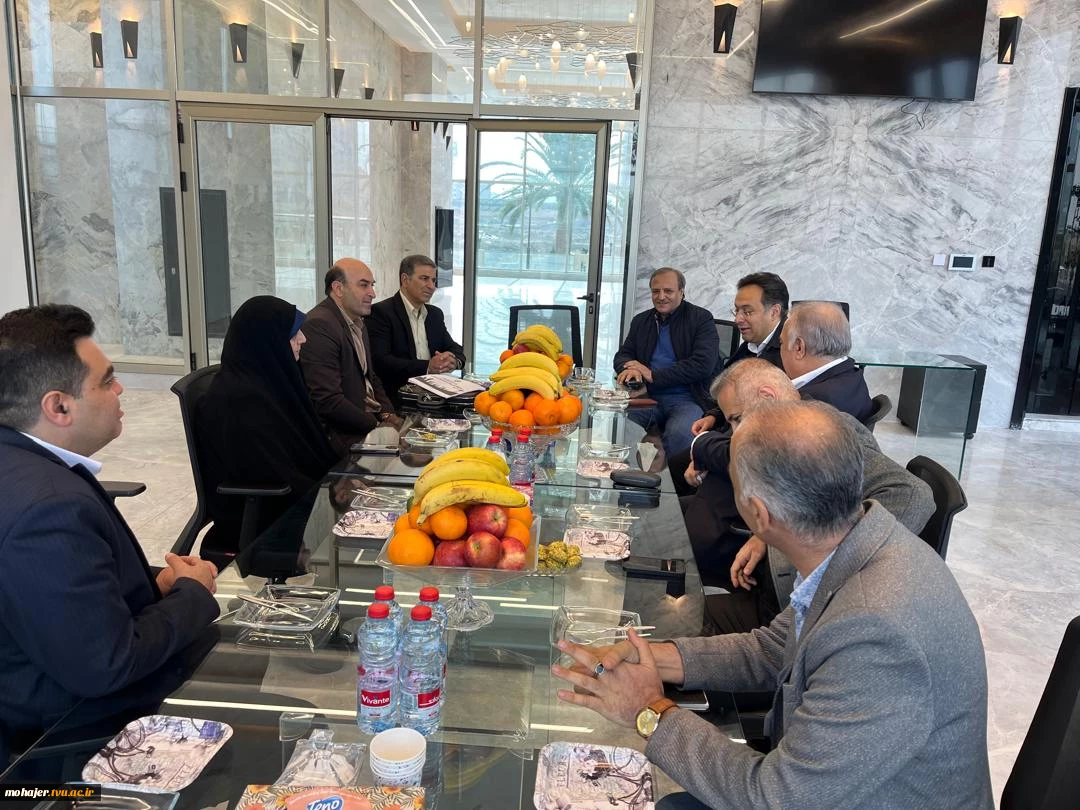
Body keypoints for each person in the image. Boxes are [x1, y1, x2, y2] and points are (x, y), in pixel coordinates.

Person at [552, 400, 992, 809]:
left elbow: (777, 798)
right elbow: (774, 646)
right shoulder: (858, 543)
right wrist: (655, 657)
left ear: (758, 515)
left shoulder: (875, 631)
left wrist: (648, 710)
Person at [0, 304, 220, 750]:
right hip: (73, 731)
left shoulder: (25, 465)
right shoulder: (49, 509)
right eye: (106, 381)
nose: (120, 389)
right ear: (59, 406)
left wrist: (157, 586)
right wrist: (192, 593)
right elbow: (105, 665)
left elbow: (62, 605)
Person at [692, 359, 934, 632]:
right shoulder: (786, 428)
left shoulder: (818, 432)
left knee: (680, 620)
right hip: (772, 588)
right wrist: (768, 537)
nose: (736, 431)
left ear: (768, 397)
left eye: (737, 419)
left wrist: (832, 573)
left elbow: (914, 494)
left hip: (792, 612)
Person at [195, 296, 339, 561]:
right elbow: (271, 471)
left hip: (290, 503)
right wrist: (330, 493)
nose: (303, 339)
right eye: (294, 333)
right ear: (267, 342)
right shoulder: (239, 401)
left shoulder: (269, 382)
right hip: (264, 517)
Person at [669, 271, 788, 495]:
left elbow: (759, 430)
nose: (738, 319)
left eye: (747, 311)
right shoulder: (750, 345)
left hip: (748, 455)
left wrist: (704, 452)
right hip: (724, 435)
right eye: (737, 311)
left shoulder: (786, 353)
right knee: (672, 469)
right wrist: (714, 415)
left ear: (774, 312)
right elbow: (732, 390)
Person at [613, 268, 721, 457]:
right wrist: (630, 368)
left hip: (687, 399)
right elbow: (623, 355)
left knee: (680, 435)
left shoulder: (701, 319)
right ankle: (627, 473)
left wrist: (652, 375)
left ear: (681, 292)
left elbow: (703, 365)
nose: (661, 297)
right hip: (645, 397)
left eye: (668, 291)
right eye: (656, 291)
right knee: (617, 422)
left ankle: (675, 478)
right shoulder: (641, 321)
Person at [300, 258, 401, 456]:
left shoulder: (358, 322)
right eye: (364, 285)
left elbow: (370, 378)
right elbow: (328, 401)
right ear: (338, 289)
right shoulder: (319, 325)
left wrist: (388, 415)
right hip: (340, 439)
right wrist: (377, 426)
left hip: (364, 427)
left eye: (372, 285)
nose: (372, 293)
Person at [368, 254, 466, 410]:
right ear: (405, 280)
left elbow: (455, 348)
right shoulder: (381, 312)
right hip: (397, 402)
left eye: (433, 280)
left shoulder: (435, 314)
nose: (431, 286)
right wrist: (428, 367)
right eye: (424, 279)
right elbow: (381, 362)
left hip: (434, 400)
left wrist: (453, 360)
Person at [780, 300, 872, 422]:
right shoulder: (853, 375)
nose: (780, 349)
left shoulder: (811, 404)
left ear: (799, 348)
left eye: (781, 343)